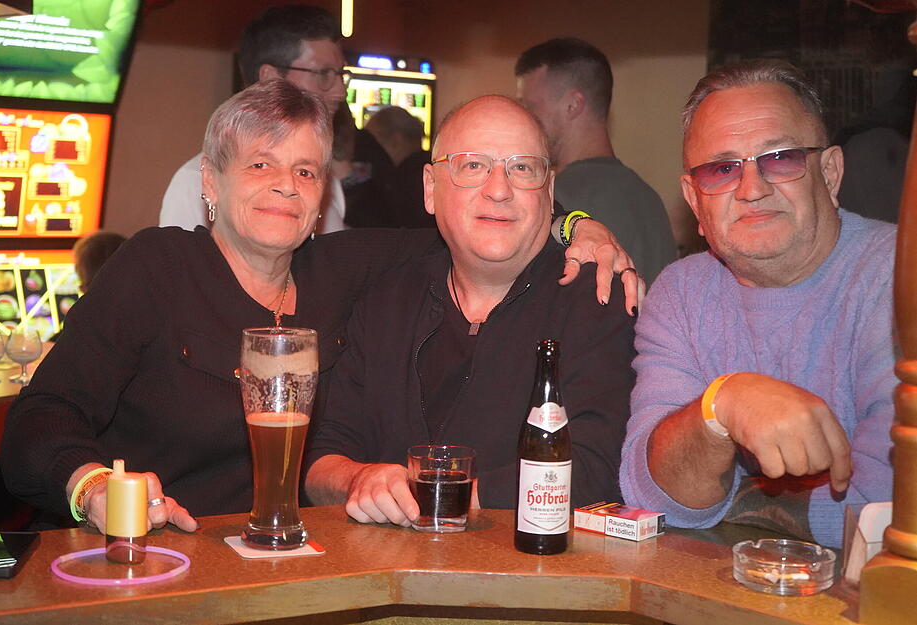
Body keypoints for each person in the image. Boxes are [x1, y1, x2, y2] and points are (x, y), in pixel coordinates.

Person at [2, 80, 642, 534]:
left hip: (299, 559)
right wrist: (91, 489)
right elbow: (40, 419)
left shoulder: (345, 269)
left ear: (322, 193)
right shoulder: (156, 268)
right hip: (158, 556)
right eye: (260, 164)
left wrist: (576, 225)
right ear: (209, 181)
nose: (286, 184)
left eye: (306, 171)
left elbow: (484, 222)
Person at [304, 95, 637, 526]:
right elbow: (320, 459)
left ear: (549, 191)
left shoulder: (597, 302)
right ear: (430, 188)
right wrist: (359, 479)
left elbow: (598, 470)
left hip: (529, 582)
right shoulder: (385, 299)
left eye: (522, 168)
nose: (499, 189)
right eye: (472, 166)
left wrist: (439, 500)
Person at [619, 59, 895, 548]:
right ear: (694, 199)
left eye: (780, 157)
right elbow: (654, 493)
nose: (752, 189)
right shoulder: (680, 293)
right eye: (722, 169)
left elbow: (888, 509)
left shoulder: (899, 276)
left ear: (829, 174)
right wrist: (722, 402)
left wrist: (727, 497)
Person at [159, 4, 350, 234]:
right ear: (269, 78)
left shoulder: (323, 179)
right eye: (323, 74)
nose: (340, 92)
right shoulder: (195, 182)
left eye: (341, 74)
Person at [515, 38, 677, 285]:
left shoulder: (554, 197)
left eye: (530, 107)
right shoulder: (649, 198)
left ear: (573, 104)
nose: (524, 120)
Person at [346, 106, 434, 229]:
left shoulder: (400, 183)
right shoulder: (434, 169)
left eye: (373, 141)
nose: (367, 149)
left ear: (396, 141)